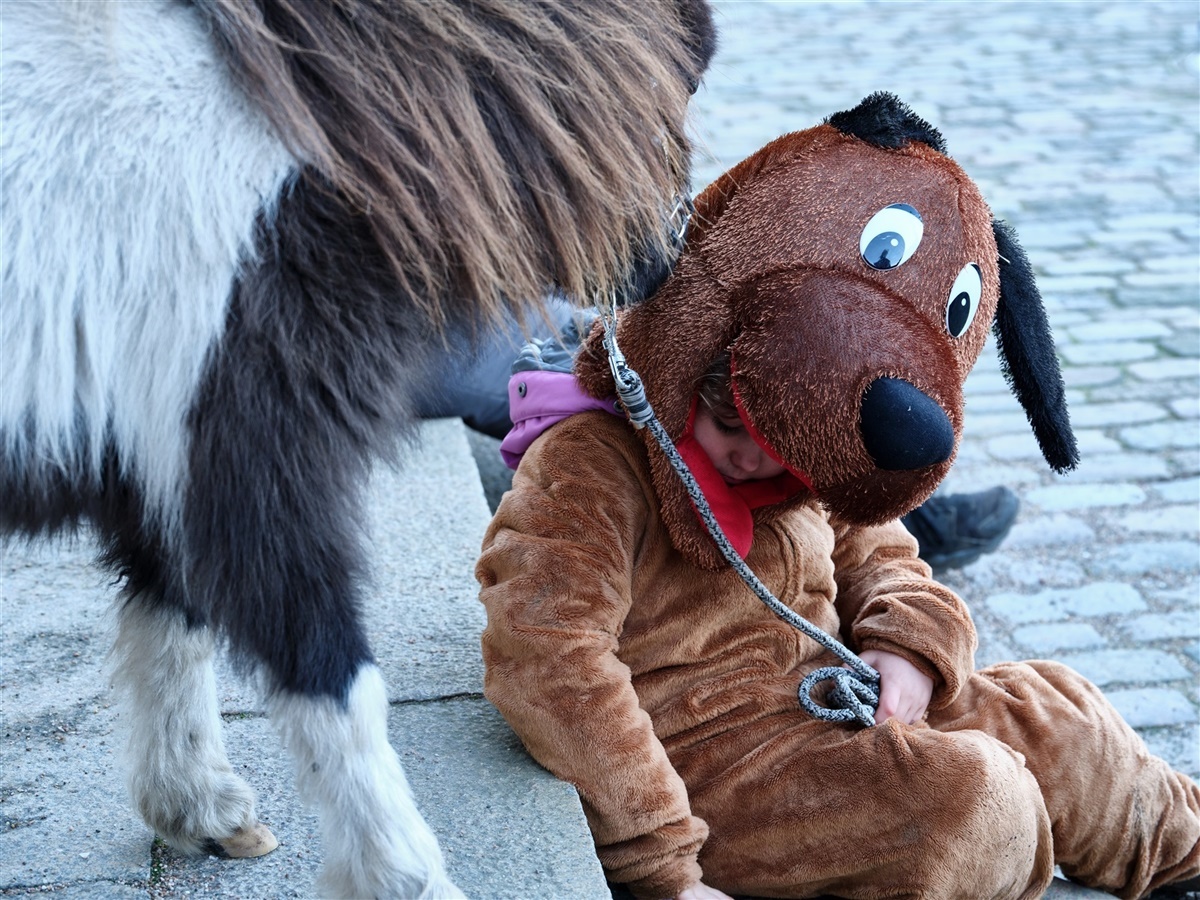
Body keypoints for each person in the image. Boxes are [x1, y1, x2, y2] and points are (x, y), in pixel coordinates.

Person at [476, 336, 1199, 898]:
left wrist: (909, 644)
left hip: (839, 695)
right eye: (728, 430)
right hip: (715, 762)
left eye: (775, 446)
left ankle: (1184, 853)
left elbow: (883, 554)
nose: (751, 461)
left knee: (1060, 719)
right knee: (975, 805)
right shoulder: (589, 462)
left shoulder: (809, 450)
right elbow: (550, 654)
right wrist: (663, 863)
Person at [419, 298, 1021, 571]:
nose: (747, 458)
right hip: (425, 314)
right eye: (730, 428)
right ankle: (909, 522)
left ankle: (894, 511)